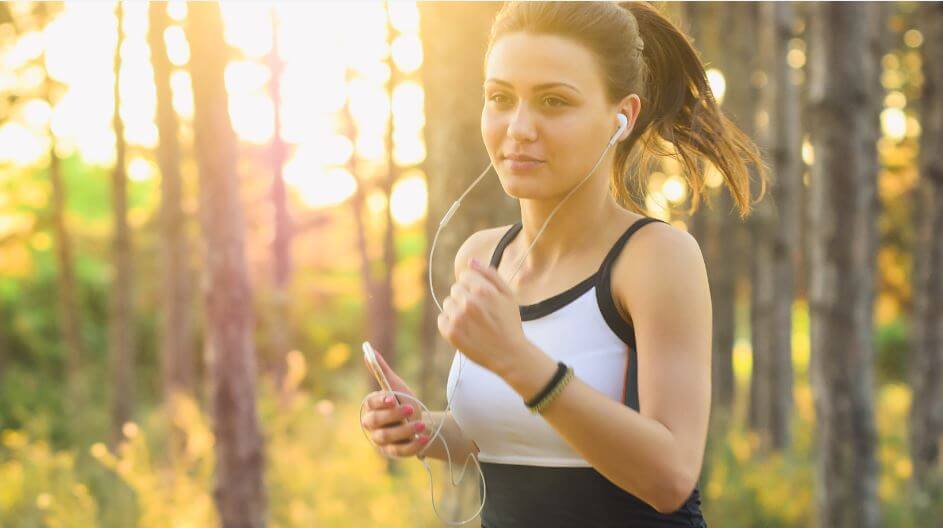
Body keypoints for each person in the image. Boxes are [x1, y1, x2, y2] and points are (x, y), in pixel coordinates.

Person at [361, 1, 766, 526]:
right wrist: (428, 431)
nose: (519, 128)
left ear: (622, 117)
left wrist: (519, 361)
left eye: (554, 101)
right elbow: (525, 439)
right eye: (500, 98)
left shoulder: (655, 258)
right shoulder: (482, 257)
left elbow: (670, 477)